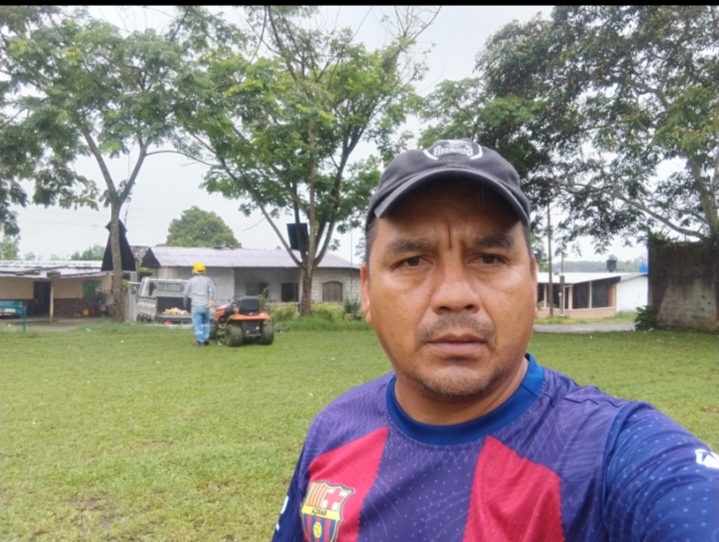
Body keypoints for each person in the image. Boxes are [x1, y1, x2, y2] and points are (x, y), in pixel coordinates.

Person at [272, 139, 719, 541]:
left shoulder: (610, 453)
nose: (454, 296)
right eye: (412, 261)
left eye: (489, 258)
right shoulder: (333, 431)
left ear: (532, 280)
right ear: (367, 291)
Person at [183, 261, 215, 347]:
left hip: (195, 305)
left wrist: (185, 301)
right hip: (205, 305)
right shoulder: (208, 280)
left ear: (194, 271)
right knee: (205, 322)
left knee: (197, 324)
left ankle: (200, 341)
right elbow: (212, 290)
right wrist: (211, 300)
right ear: (204, 271)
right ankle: (206, 338)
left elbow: (186, 293)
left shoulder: (191, 281)